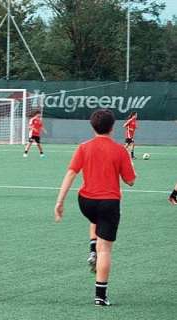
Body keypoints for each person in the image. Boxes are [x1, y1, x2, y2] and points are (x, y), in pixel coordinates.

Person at [54, 109, 136, 306]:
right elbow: (130, 181)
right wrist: (130, 167)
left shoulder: (83, 147)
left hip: (86, 202)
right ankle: (100, 296)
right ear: (113, 127)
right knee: (106, 249)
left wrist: (59, 201)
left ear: (92, 126)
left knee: (95, 220)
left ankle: (93, 249)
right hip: (109, 203)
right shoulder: (120, 150)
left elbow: (71, 173)